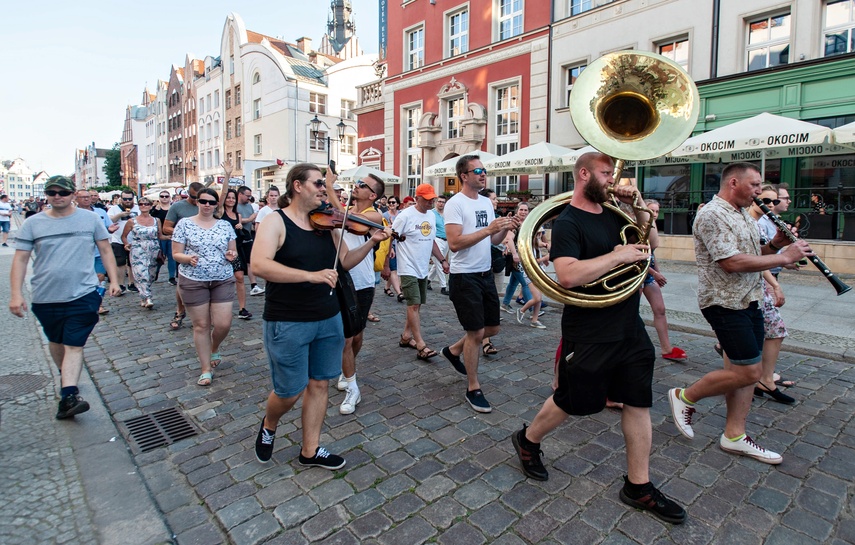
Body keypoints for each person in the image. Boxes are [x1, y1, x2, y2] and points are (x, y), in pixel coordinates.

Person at [510, 152, 686, 524]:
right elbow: (569, 275)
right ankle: (528, 440)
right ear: (584, 174)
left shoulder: (616, 213)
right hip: (589, 329)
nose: (613, 179)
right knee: (571, 401)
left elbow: (651, 241)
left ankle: (638, 485)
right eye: (607, 173)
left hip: (628, 325)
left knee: (638, 401)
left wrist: (637, 204)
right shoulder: (568, 222)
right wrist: (618, 255)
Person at [668, 163, 811, 466]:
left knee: (745, 367)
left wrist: (774, 245)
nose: (761, 193)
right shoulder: (712, 214)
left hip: (750, 298)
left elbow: (753, 254)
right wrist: (784, 257)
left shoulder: (743, 214)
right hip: (723, 302)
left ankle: (734, 435)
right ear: (734, 182)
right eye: (756, 185)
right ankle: (685, 396)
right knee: (750, 372)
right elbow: (730, 263)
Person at [252, 163, 390, 467]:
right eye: (319, 184)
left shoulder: (325, 225)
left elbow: (346, 262)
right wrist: (310, 275)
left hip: (328, 317)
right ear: (298, 186)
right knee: (288, 392)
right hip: (288, 320)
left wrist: (370, 242)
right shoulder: (276, 222)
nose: (326, 190)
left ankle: (310, 450)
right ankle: (269, 424)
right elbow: (259, 266)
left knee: (320, 384)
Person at [9, 176, 121, 419]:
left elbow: (104, 249)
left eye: (62, 192)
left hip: (83, 292)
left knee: (74, 344)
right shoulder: (33, 224)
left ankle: (69, 395)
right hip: (45, 296)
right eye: (52, 192)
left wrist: (113, 280)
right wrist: (16, 294)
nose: (57, 196)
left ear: (72, 195)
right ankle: (66, 378)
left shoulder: (90, 219)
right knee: (57, 341)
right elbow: (20, 259)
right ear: (47, 195)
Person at [442, 156, 519, 413]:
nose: (483, 174)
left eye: (484, 170)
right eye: (478, 170)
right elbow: (455, 243)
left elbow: (492, 239)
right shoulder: (454, 204)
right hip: (465, 276)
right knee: (475, 333)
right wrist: (489, 230)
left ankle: (453, 350)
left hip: (485, 274)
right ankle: (473, 387)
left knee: (493, 328)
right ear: (464, 175)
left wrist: (505, 229)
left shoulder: (486, 201)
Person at [324, 169, 388, 415]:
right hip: (341, 279)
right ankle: (352, 385)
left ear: (372, 195)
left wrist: (331, 187)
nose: (356, 186)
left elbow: (340, 216)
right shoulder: (349, 211)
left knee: (357, 336)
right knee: (346, 338)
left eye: (362, 185)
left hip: (362, 282)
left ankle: (346, 368)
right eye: (357, 183)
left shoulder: (372, 213)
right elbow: (337, 216)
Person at [171, 187, 238, 386]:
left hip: (222, 278)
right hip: (193, 280)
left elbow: (232, 251)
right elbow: (176, 253)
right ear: (197, 202)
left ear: (217, 204)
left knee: (223, 323)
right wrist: (187, 257)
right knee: (201, 325)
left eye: (211, 202)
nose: (207, 205)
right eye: (203, 201)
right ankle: (205, 369)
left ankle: (214, 346)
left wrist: (230, 255)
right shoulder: (184, 224)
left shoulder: (225, 225)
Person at [747, 187, 794, 404]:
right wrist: (775, 284)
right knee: (772, 330)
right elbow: (754, 260)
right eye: (766, 200)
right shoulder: (748, 221)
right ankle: (755, 381)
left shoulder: (763, 222)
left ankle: (762, 379)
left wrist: (782, 251)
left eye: (774, 201)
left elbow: (764, 254)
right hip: (754, 285)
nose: (771, 205)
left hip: (760, 283)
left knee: (775, 330)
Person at [393, 183, 449, 361]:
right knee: (414, 305)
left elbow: (431, 241)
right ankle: (420, 344)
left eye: (432, 199)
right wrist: (387, 265)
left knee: (417, 305)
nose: (431, 203)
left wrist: (442, 260)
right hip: (407, 266)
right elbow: (390, 237)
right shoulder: (405, 216)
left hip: (422, 267)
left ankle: (406, 336)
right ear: (417, 198)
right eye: (427, 200)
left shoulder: (431, 216)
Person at [640, 199, 686, 361]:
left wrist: (657, 272)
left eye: (657, 211)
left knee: (660, 310)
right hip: (638, 272)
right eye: (650, 210)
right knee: (630, 313)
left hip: (648, 274)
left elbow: (652, 254)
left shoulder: (653, 226)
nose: (654, 214)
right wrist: (655, 273)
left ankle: (666, 348)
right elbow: (639, 257)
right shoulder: (639, 224)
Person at [163, 182, 204, 330]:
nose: (196, 201)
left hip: (204, 251)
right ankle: (180, 312)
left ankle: (203, 314)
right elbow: (166, 227)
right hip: (184, 250)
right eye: (193, 197)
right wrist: (183, 234)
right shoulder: (178, 207)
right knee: (182, 283)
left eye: (198, 198)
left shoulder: (206, 206)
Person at [75, 190, 118, 315]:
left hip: (99, 252)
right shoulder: (72, 214)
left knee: (99, 277)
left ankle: (98, 304)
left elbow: (107, 228)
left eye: (88, 197)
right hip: (81, 254)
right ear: (76, 199)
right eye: (83, 197)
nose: (86, 199)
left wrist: (110, 230)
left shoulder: (100, 212)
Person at [121, 196, 163, 309]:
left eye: (146, 204)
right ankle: (148, 297)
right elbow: (124, 236)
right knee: (141, 273)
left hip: (153, 248)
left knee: (151, 274)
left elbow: (160, 236)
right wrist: (126, 244)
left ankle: (143, 296)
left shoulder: (156, 220)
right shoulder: (132, 221)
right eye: (141, 204)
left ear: (150, 206)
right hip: (138, 248)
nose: (143, 206)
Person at [107, 190, 140, 294]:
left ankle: (132, 283)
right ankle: (121, 284)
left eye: (129, 199)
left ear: (133, 198)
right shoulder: (114, 209)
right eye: (125, 199)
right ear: (121, 199)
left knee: (132, 263)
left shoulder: (138, 208)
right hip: (117, 239)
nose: (127, 201)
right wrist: (120, 215)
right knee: (120, 263)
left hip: (134, 240)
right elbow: (109, 221)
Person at [236, 185, 262, 298]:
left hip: (247, 235)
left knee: (250, 261)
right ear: (240, 194)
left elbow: (250, 221)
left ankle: (254, 285)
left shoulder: (249, 206)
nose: (249, 198)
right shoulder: (235, 206)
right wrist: (250, 219)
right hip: (237, 237)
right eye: (247, 196)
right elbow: (237, 221)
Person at [151, 190, 177, 285]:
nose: (164, 198)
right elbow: (151, 220)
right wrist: (155, 211)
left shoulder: (173, 208)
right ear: (159, 198)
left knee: (172, 257)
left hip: (171, 235)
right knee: (159, 256)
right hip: (159, 236)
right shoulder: (156, 209)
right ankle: (155, 273)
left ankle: (171, 277)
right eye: (162, 196)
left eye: (166, 196)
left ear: (169, 197)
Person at [426, 194, 449, 296]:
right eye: (439, 201)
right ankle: (443, 286)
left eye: (443, 202)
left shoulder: (447, 214)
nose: (441, 204)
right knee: (440, 263)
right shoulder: (431, 213)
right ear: (436, 202)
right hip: (436, 240)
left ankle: (428, 280)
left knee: (437, 263)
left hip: (447, 240)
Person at [382, 196, 403, 299]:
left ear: (398, 204)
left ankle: (387, 287)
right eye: (389, 202)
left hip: (401, 245)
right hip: (390, 245)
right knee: (393, 269)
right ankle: (399, 293)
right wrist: (390, 248)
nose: (391, 204)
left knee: (397, 269)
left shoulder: (402, 215)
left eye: (393, 202)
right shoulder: (384, 216)